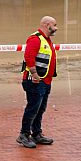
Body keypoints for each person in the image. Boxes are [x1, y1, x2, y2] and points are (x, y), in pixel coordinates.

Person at [17, 16, 59, 149]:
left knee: (40, 109)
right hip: (35, 81)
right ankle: (24, 134)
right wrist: (35, 74)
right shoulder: (35, 39)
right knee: (33, 108)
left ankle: (36, 133)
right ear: (47, 25)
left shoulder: (47, 40)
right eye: (55, 25)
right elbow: (29, 57)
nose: (56, 28)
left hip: (45, 81)